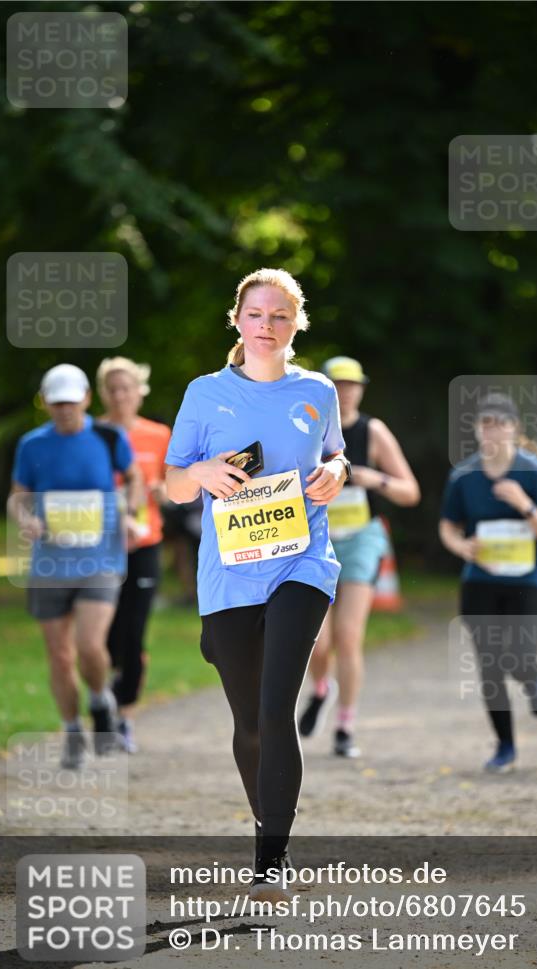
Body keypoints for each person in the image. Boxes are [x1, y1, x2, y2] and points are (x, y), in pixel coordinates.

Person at [165, 268, 349, 900]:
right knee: (249, 721)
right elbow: (172, 484)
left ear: (296, 324)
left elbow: (334, 454)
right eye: (256, 314)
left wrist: (338, 471)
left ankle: (272, 861)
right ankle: (266, 815)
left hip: (303, 559)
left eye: (279, 316)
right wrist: (204, 469)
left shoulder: (318, 390)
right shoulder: (203, 392)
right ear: (237, 320)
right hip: (230, 573)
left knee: (277, 707)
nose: (266, 326)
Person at [8, 364, 143, 769]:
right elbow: (18, 495)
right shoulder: (32, 445)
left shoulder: (108, 436)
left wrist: (131, 511)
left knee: (89, 645)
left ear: (86, 399)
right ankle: (71, 730)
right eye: (57, 403)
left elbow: (134, 478)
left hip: (100, 559)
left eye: (71, 401)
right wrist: (27, 518)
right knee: (60, 656)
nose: (65, 410)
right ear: (46, 404)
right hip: (50, 563)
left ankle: (101, 698)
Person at [298, 356, 421, 757]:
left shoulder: (372, 431)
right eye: (339, 384)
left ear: (361, 390)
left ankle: (345, 726)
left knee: (348, 638)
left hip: (362, 540)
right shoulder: (307, 428)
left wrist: (376, 479)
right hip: (317, 540)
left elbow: (410, 491)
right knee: (316, 641)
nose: (347, 392)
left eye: (354, 385)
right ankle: (321, 689)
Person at [439, 392, 537, 772]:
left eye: (501, 423)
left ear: (515, 428)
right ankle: (505, 747)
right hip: (481, 581)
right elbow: (447, 526)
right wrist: (462, 547)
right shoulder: (463, 475)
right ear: (477, 429)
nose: (493, 430)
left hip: (528, 580)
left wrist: (522, 502)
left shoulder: (533, 471)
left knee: (519, 654)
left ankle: (534, 680)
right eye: (486, 423)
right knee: (490, 666)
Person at [97, 356, 172, 753]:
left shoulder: (159, 434)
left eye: (127, 387)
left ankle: (124, 716)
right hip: (100, 544)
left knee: (134, 631)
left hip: (145, 542)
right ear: (103, 394)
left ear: (139, 391)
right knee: (102, 634)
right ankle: (107, 695)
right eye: (113, 388)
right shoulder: (93, 433)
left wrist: (163, 490)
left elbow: (176, 481)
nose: (121, 395)